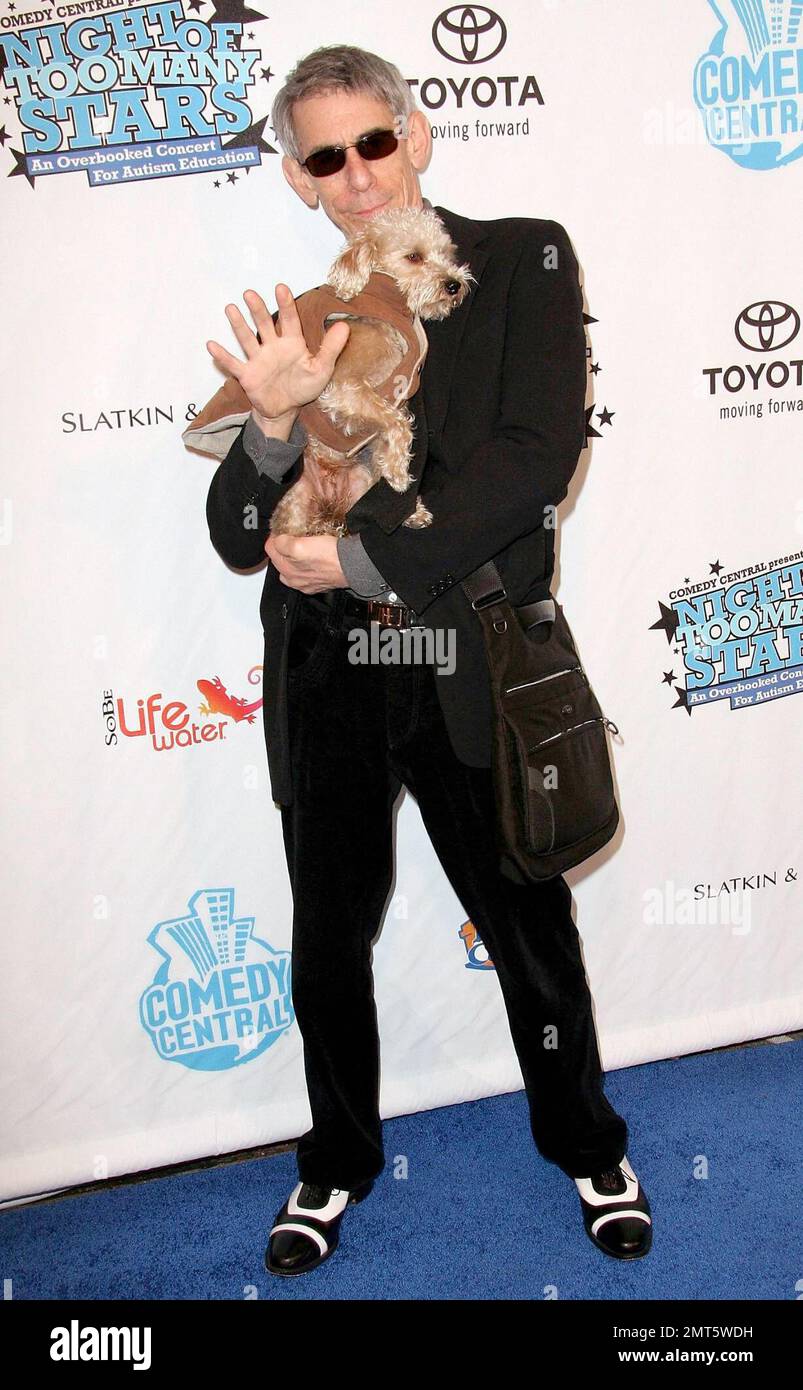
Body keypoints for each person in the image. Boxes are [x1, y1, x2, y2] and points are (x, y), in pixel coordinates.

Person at [204, 44, 652, 1276]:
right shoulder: (302, 323)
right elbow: (239, 538)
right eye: (324, 159)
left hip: (468, 645)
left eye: (373, 143)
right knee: (326, 932)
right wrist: (275, 417)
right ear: (299, 179)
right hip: (324, 672)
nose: (356, 179)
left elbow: (532, 456)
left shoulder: (521, 254)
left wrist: (366, 565)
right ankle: (333, 1161)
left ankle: (586, 1140)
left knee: (524, 918)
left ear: (418, 134)